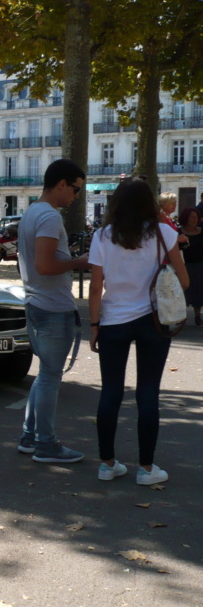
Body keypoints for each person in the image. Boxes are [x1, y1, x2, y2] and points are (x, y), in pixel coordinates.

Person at [88, 177, 189, 485]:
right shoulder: (164, 233)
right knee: (148, 394)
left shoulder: (103, 235)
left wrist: (94, 326)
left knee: (110, 393)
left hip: (113, 321)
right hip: (153, 320)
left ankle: (107, 464)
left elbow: (95, 287)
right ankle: (146, 469)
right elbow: (183, 282)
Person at [16, 158, 92, 464]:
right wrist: (79, 261)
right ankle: (45, 445)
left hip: (36, 302)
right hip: (52, 306)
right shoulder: (49, 217)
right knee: (49, 377)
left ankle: (29, 437)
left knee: (45, 375)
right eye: (75, 189)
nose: (76, 196)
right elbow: (46, 265)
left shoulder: (32, 211)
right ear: (61, 183)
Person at [179, 206, 203, 326]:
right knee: (185, 291)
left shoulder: (201, 231)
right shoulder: (180, 232)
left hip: (200, 265)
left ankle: (197, 316)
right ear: (186, 218)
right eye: (191, 217)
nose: (194, 219)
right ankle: (182, 317)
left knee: (199, 291)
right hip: (185, 265)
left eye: (196, 217)